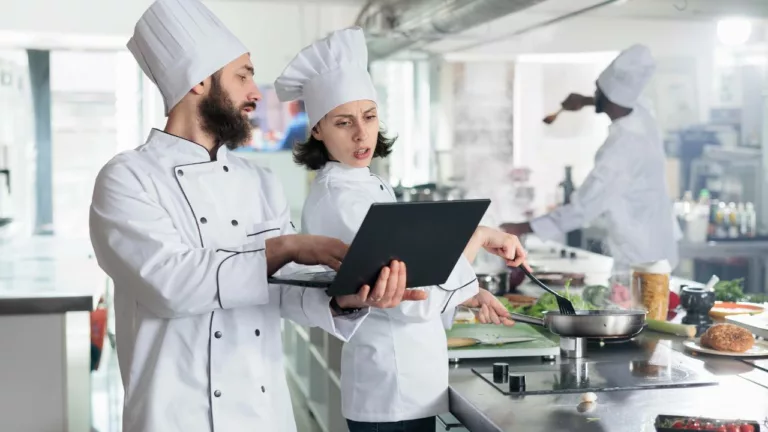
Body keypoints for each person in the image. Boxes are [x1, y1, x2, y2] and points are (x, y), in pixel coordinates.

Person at [89, 2, 426, 431]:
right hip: (176, 416)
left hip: (261, 414)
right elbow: (170, 285)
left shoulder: (260, 182)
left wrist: (346, 299)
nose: (255, 93)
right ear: (198, 80)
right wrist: (285, 248)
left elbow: (282, 292)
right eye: (243, 76)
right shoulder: (128, 178)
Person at [275, 26, 528, 432]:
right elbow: (413, 297)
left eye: (369, 116)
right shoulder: (341, 199)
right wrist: (477, 237)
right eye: (343, 122)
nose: (362, 134)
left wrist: (470, 292)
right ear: (317, 129)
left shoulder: (366, 182)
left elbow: (412, 271)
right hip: (390, 388)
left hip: (409, 384)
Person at [502, 44, 679, 271]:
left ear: (607, 97)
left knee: (637, 295)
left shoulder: (620, 150)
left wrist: (522, 228)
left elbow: (582, 209)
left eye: (597, 89)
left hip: (639, 257)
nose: (593, 92)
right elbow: (624, 101)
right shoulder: (644, 120)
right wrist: (588, 101)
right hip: (659, 244)